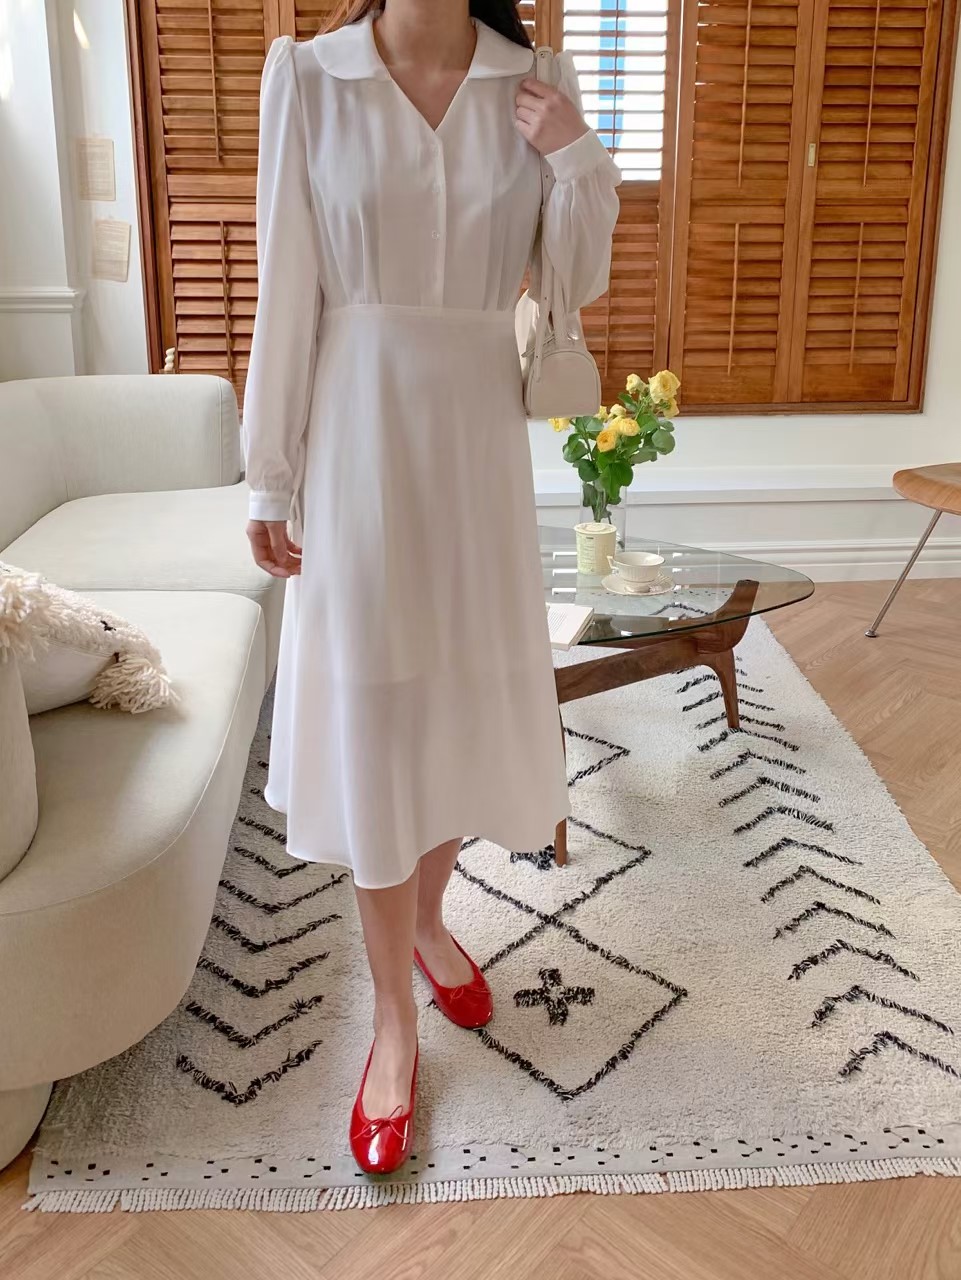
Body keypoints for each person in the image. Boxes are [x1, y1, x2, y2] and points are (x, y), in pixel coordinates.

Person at [243, 0, 620, 1175]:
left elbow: (577, 280)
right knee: (376, 714)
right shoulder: (309, 77)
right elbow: (286, 286)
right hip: (356, 431)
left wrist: (575, 154)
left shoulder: (535, 77)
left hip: (476, 445)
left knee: (461, 700)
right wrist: (270, 473)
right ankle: (393, 1026)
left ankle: (426, 919)